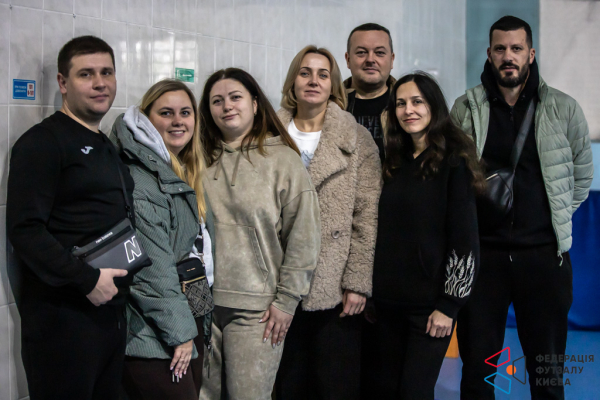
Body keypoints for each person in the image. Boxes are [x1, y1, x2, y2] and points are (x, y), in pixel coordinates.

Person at [451, 16, 593, 399]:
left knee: (547, 376)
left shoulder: (563, 109)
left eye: (516, 48)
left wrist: (552, 219)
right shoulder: (466, 108)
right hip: (483, 261)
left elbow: (581, 177)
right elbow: (453, 179)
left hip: (544, 260)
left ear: (531, 53)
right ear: (489, 54)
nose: (508, 56)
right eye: (500, 49)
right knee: (477, 374)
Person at [6, 36, 133, 399]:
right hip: (63, 319)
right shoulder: (43, 143)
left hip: (109, 314)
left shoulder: (105, 143)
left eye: (106, 72)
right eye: (86, 74)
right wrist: (87, 279)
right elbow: (25, 230)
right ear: (63, 83)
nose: (100, 83)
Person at [197, 68, 321, 400]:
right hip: (202, 306)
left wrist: (287, 301)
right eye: (217, 101)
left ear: (254, 103)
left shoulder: (283, 160)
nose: (227, 106)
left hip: (258, 311)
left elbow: (304, 236)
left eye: (235, 97)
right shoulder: (199, 159)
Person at [361, 72, 484, 400]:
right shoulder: (392, 161)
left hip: (429, 309)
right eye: (401, 103)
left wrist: (450, 304)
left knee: (413, 392)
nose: (408, 110)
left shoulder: (454, 163)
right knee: (383, 391)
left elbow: (465, 241)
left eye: (417, 102)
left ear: (434, 107)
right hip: (386, 305)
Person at [275, 45, 382, 400]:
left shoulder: (357, 139)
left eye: (323, 75)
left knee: (334, 386)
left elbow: (367, 217)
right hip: (278, 281)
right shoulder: (268, 135)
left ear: (333, 85)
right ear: (293, 81)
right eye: (305, 72)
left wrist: (358, 282)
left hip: (334, 286)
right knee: (287, 385)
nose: (313, 80)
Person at [110, 79, 215, 399]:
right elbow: (152, 271)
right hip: (152, 333)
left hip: (186, 316)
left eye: (185, 112)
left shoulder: (181, 169)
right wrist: (181, 334)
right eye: (166, 113)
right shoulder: (142, 179)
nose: (177, 121)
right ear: (146, 119)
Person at [344, 23, 396, 162]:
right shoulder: (329, 105)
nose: (370, 60)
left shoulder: (408, 106)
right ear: (348, 59)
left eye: (379, 53)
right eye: (361, 52)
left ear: (392, 60)